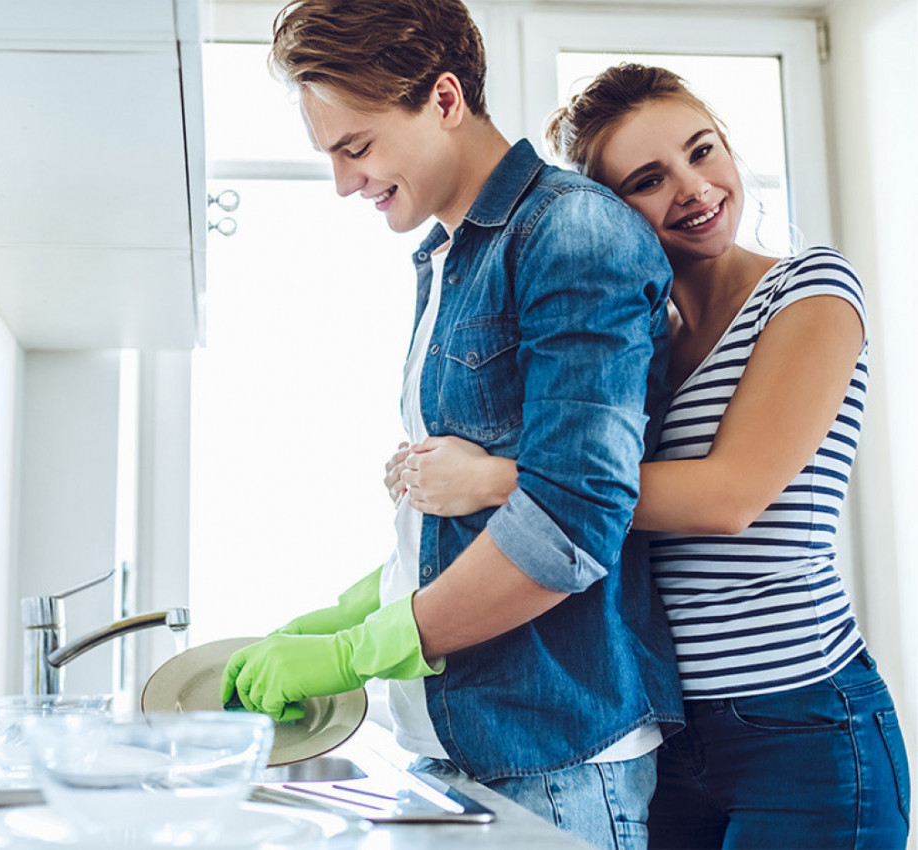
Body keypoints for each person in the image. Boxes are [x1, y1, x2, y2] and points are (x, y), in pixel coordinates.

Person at [388, 63, 911, 847]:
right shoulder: (644, 339)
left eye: (702, 152)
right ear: (612, 208)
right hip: (663, 731)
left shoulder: (810, 292)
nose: (693, 188)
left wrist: (498, 480)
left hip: (803, 725)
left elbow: (728, 496)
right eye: (648, 179)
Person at [218, 3, 684, 847]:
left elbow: (570, 523)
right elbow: (463, 520)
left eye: (354, 147)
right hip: (457, 752)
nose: (342, 182)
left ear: (441, 99)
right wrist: (343, 612)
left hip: (555, 762)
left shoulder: (568, 233)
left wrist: (360, 650)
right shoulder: (451, 256)